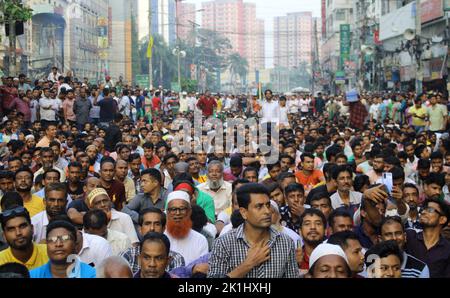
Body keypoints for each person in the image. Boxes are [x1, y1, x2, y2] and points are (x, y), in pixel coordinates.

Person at [208, 183, 299, 278]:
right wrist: (248, 264)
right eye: (259, 206)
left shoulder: (285, 242)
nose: (267, 211)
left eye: (267, 205)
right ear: (244, 212)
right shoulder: (224, 244)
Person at [119, 207, 185, 275]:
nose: (152, 228)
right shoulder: (127, 256)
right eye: (147, 224)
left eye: (157, 224)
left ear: (163, 229)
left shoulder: (176, 258)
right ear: (140, 229)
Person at [30, 220, 96, 278]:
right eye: (52, 240)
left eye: (65, 239)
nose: (58, 244)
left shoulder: (92, 275)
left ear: (75, 245)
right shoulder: (32, 275)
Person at [405, 198, 450, 278]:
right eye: (423, 209)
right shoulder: (409, 237)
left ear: (442, 220)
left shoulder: (447, 249)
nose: (423, 212)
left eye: (430, 210)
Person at [164, 191, 208, 264]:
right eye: (173, 209)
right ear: (167, 212)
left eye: (182, 209)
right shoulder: (160, 237)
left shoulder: (200, 240)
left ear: (189, 212)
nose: (177, 213)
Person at [0, 205, 48, 270]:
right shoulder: (1, 261)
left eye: (22, 226)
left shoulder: (50, 254)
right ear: (4, 236)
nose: (18, 233)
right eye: (11, 229)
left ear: (32, 228)